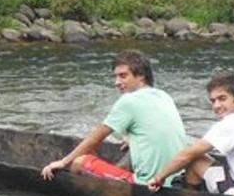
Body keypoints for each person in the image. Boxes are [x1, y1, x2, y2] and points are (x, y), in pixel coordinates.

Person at [40, 50, 189, 185]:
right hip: (176, 178)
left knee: (79, 161)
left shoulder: (129, 101)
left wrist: (63, 162)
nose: (117, 82)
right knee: (117, 150)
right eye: (116, 76)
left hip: (148, 183)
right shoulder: (164, 96)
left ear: (141, 76)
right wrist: (131, 138)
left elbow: (96, 138)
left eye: (123, 76)